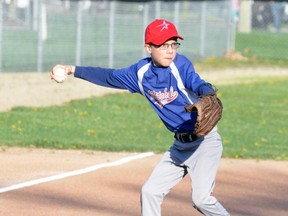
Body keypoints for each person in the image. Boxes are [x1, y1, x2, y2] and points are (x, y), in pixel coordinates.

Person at [51, 19, 230, 216]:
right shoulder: (140, 73)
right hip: (180, 147)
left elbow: (196, 81)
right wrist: (71, 69)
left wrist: (208, 93)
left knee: (201, 199)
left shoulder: (180, 64)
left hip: (204, 142)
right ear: (148, 48)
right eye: (163, 45)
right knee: (150, 192)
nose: (170, 50)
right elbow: (108, 76)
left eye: (173, 44)